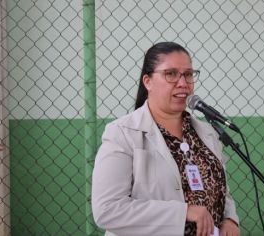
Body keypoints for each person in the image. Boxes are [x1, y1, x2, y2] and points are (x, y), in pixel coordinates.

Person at [92, 42, 240, 236]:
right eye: (170, 74)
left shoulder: (207, 134)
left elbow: (221, 191)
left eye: (188, 74)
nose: (183, 83)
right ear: (148, 82)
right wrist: (183, 212)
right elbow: (107, 211)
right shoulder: (122, 133)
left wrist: (230, 219)